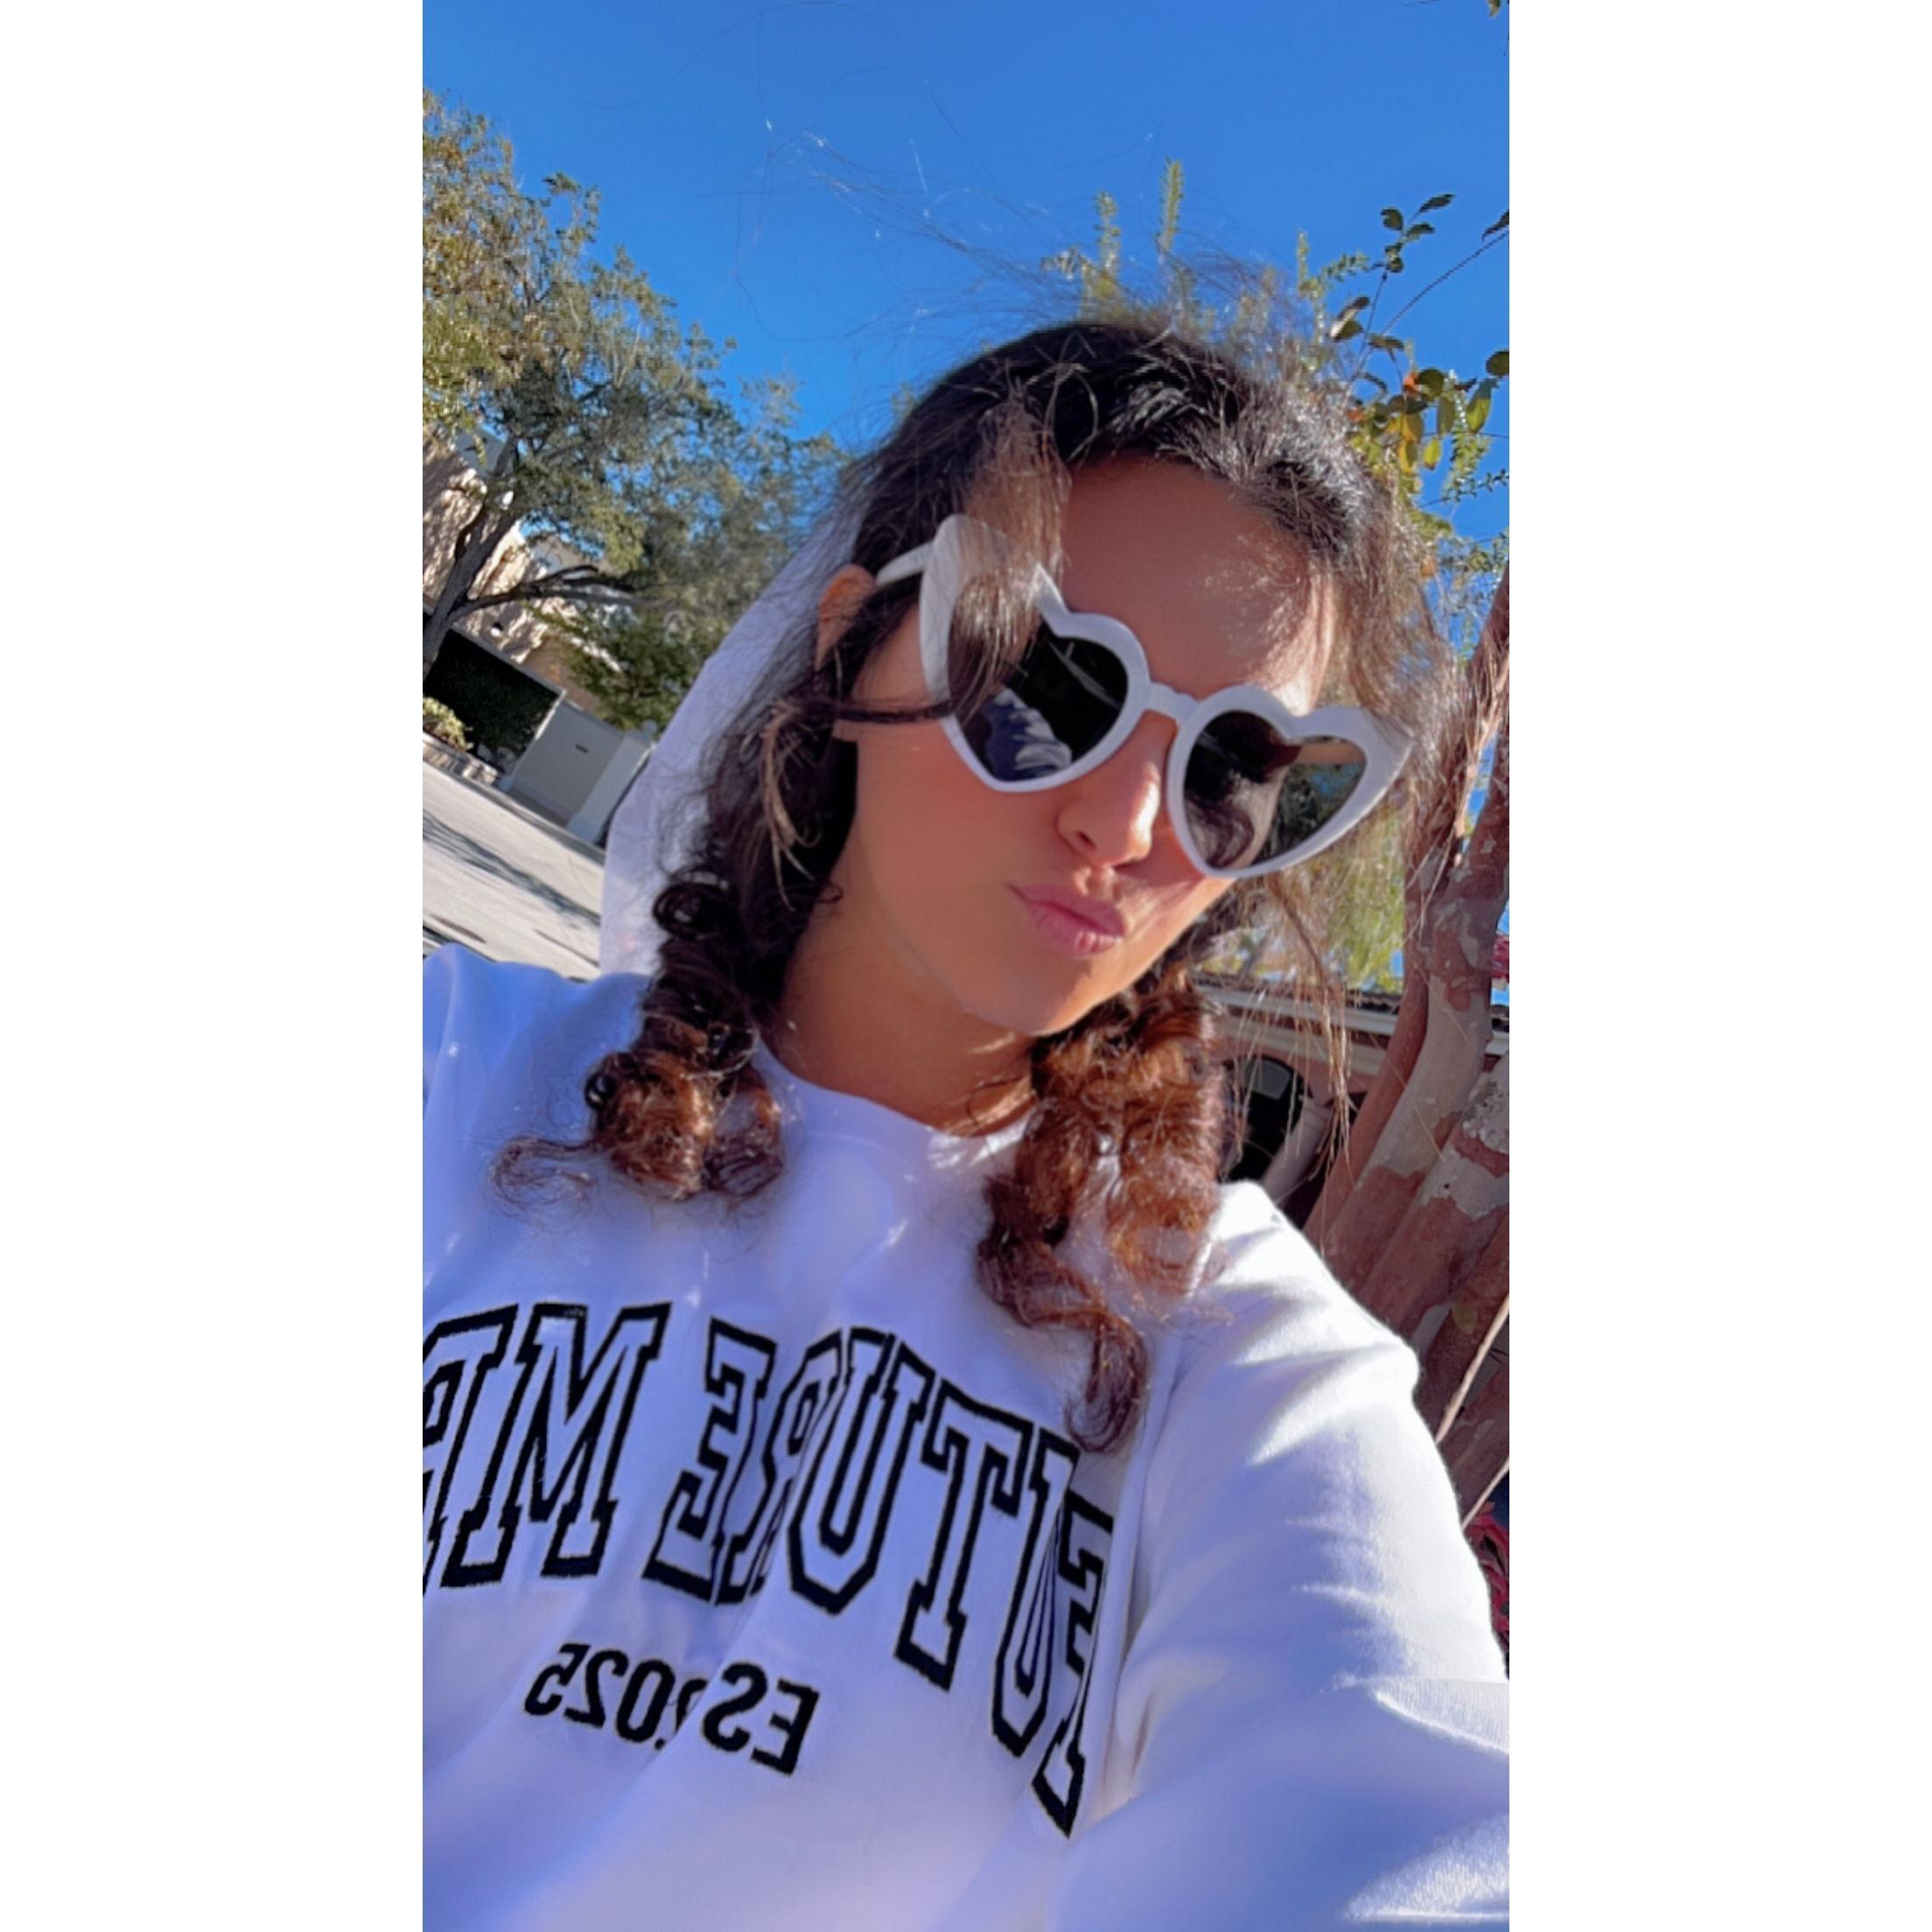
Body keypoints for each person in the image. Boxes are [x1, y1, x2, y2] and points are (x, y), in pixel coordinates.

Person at [424, 318, 1508, 1929]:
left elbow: (1406, 1801)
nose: (1125, 823)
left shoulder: (1236, 1352)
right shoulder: (448, 1071)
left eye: (1231, 766)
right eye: (1053, 680)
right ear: (854, 647)